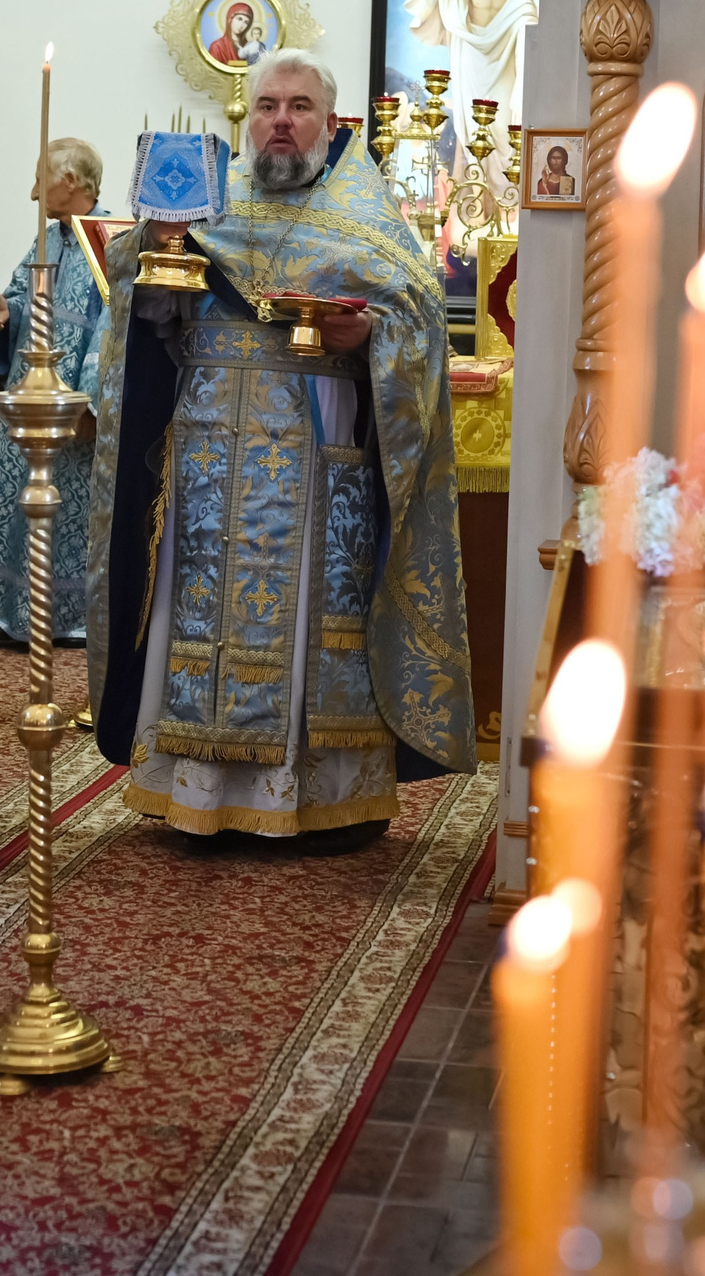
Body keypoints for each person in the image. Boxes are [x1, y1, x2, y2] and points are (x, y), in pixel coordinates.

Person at [86, 52, 474, 851]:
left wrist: (370, 335)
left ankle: (308, 799)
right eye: (267, 106)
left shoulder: (366, 216)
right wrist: (159, 264)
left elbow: (418, 321)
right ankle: (194, 790)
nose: (282, 121)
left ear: (331, 124)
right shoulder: (206, 203)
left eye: (301, 106)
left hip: (312, 451)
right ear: (248, 120)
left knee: (300, 616)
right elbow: (140, 307)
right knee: (194, 613)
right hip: (203, 456)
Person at [0, 139, 112, 647]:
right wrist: (7, 313)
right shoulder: (45, 241)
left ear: (70, 182)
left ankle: (66, 616)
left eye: (40, 179)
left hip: (72, 407)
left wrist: (91, 400)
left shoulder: (109, 239)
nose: (34, 194)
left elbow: (112, 326)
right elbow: (19, 296)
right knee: (17, 504)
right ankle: (11, 612)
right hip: (27, 395)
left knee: (67, 510)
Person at [405, 0, 537, 137]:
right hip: (471, 62)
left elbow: (530, 21)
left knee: (501, 122)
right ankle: (472, 167)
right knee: (470, 120)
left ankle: (505, 169)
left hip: (503, 63)